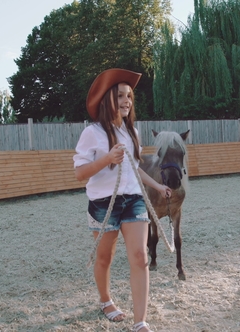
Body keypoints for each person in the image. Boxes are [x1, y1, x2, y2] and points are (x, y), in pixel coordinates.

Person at [73, 68, 171, 332]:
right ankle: (106, 301)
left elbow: (135, 167)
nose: (127, 100)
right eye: (120, 95)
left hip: (134, 200)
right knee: (104, 258)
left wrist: (158, 186)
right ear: (108, 100)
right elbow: (80, 173)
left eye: (129, 96)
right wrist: (106, 159)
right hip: (104, 204)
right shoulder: (92, 133)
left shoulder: (132, 133)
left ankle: (140, 321)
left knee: (140, 256)